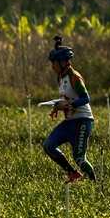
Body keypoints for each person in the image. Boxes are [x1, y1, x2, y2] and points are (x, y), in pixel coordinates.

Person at [43, 36, 96, 182]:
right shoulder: (61, 78)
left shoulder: (75, 77)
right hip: (69, 121)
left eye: (54, 63)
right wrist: (56, 108)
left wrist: (68, 106)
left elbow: (85, 98)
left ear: (64, 62)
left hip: (82, 121)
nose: (52, 66)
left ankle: (96, 185)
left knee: (80, 158)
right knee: (48, 146)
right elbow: (65, 99)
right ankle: (73, 174)